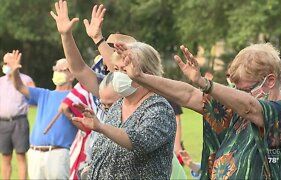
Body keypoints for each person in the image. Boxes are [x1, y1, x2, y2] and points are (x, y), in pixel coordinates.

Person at [120, 42, 281, 179]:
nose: (237, 94)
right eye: (235, 88)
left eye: (245, 90)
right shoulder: (237, 107)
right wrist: (140, 76)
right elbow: (188, 95)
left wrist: (206, 84)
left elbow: (250, 107)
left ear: (270, 81)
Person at [51, 1, 176, 179]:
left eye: (123, 70)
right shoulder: (118, 103)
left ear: (145, 74)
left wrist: (101, 127)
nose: (115, 75)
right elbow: (79, 69)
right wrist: (66, 35)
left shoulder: (158, 109)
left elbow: (138, 141)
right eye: (115, 69)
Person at [11, 56, 78, 179]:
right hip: (35, 153)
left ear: (72, 75)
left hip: (58, 154)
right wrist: (14, 72)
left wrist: (69, 115)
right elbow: (19, 86)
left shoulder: (75, 97)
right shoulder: (44, 94)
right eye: (55, 69)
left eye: (62, 70)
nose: (57, 72)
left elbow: (84, 125)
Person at [0, 50, 35, 180]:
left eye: (8, 62)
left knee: (20, 156)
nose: (5, 65)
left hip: (19, 121)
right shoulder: (1, 81)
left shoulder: (25, 80)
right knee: (5, 156)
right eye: (4, 63)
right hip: (3, 123)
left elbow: (33, 99)